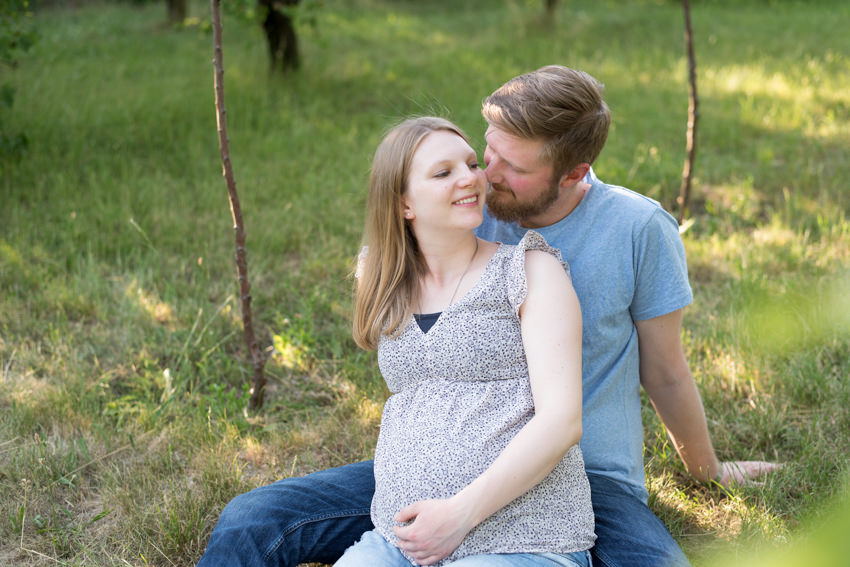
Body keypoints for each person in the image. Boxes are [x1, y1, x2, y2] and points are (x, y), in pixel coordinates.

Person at [197, 65, 778, 567]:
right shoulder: (470, 209)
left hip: (583, 475)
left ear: (573, 174)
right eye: (487, 150)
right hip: (434, 467)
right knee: (255, 521)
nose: (485, 176)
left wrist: (707, 471)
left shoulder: (635, 229)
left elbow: (667, 370)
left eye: (509, 167)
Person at [332, 116, 593, 567]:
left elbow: (562, 421)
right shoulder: (381, 279)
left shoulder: (529, 270)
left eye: (471, 164)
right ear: (403, 205)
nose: (471, 178)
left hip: (522, 538)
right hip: (401, 540)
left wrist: (459, 514)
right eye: (443, 172)